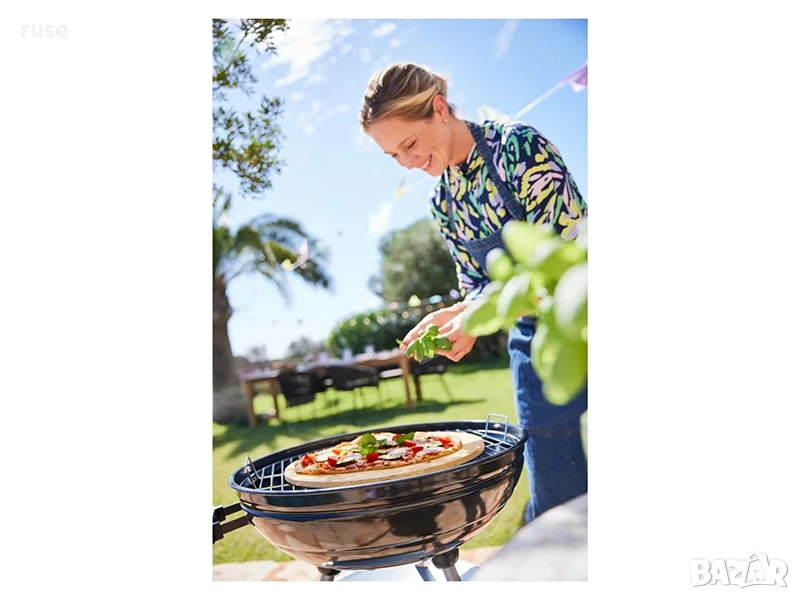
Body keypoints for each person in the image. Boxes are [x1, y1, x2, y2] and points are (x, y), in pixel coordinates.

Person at [360, 62, 588, 523]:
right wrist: (457, 316)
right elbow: (476, 284)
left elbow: (563, 260)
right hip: (534, 344)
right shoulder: (443, 203)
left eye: (409, 144)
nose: (407, 163)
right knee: (558, 495)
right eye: (393, 155)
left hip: (587, 318)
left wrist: (478, 313)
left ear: (439, 109)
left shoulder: (518, 148)